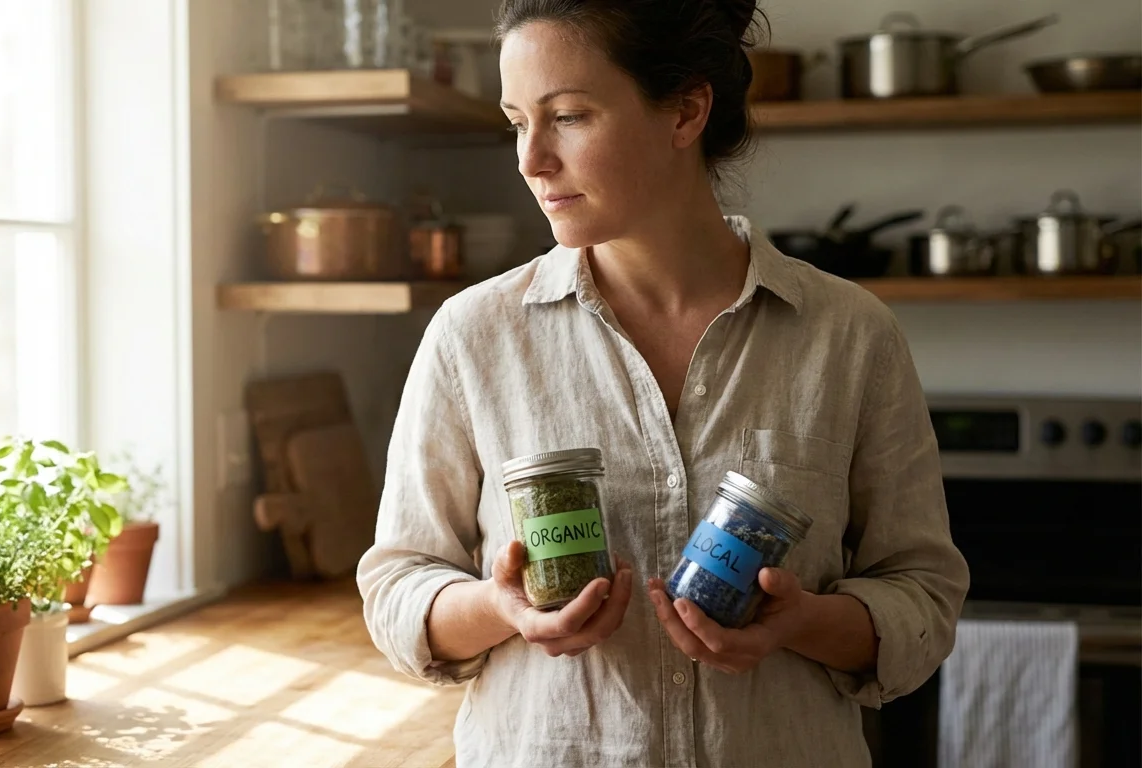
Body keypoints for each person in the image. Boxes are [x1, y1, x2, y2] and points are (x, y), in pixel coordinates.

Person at [356, 0, 970, 765]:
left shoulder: (849, 334)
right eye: (518, 120)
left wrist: (801, 620)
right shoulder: (474, 335)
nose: (530, 159)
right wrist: (499, 608)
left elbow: (925, 597)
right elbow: (397, 587)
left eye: (569, 116)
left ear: (686, 110)